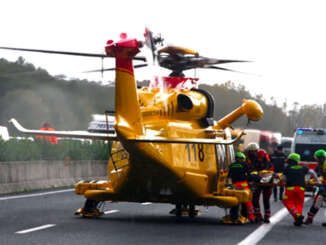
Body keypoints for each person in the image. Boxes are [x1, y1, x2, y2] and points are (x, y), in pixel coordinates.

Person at [282, 153, 319, 226]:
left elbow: (283, 179)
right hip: (301, 189)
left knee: (287, 201)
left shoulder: (287, 168)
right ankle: (298, 220)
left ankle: (297, 215)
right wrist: (317, 181)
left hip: (290, 189)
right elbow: (312, 172)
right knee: (298, 204)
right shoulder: (303, 168)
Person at [228, 152, 255, 223]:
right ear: (242, 158)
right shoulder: (244, 164)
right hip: (243, 185)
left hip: (235, 185)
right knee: (247, 201)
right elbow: (249, 175)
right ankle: (250, 217)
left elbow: (229, 176)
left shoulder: (231, 165)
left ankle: (233, 216)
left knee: (235, 201)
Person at [251, 149, 274, 223]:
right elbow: (252, 170)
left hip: (267, 183)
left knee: (266, 200)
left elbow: (271, 171)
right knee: (255, 199)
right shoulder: (255, 161)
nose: (259, 159)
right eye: (258, 158)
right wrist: (255, 176)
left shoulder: (268, 162)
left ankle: (267, 216)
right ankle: (258, 215)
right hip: (258, 182)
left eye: (260, 158)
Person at [304, 149, 326, 226]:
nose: (315, 159)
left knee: (318, 199)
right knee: (318, 200)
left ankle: (309, 218)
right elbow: (314, 173)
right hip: (324, 185)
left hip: (324, 185)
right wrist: (312, 180)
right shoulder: (320, 164)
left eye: (316, 157)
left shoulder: (325, 164)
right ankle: (310, 218)